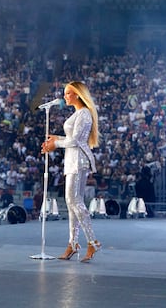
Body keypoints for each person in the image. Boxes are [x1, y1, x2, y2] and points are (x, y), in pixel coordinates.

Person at [41, 81, 101, 262]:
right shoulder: (79, 114)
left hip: (78, 160)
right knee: (72, 203)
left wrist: (55, 144)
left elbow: (75, 141)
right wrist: (57, 138)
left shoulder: (84, 114)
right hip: (72, 160)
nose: (65, 96)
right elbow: (73, 138)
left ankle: (92, 241)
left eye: (68, 93)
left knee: (74, 201)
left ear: (77, 94)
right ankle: (73, 243)